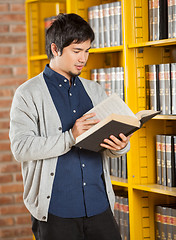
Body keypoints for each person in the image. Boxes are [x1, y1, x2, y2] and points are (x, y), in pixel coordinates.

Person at [9, 13, 131, 240]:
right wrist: (70, 137)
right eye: (77, 51)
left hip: (99, 206)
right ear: (55, 49)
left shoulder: (94, 90)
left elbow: (104, 143)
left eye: (87, 51)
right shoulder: (28, 94)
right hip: (56, 211)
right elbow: (21, 148)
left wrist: (119, 145)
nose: (83, 58)